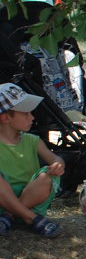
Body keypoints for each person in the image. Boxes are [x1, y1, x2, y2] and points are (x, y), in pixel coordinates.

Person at [0, 83, 63, 238]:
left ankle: (10, 216)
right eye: (26, 114)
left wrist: (58, 164)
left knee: (46, 177)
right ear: (6, 117)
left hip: (32, 198)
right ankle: (31, 218)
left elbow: (55, 158)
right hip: (2, 200)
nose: (32, 117)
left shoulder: (33, 141)